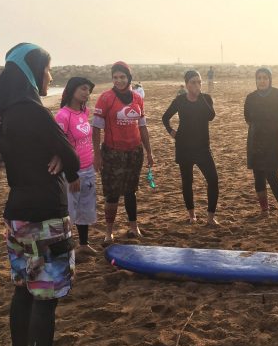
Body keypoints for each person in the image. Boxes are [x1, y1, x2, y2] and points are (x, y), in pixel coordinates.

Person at [0, 43, 79, 346]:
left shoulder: (3, 114)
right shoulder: (32, 110)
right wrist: (61, 157)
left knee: (24, 291)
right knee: (45, 301)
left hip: (17, 216)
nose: (51, 76)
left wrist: (58, 153)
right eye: (47, 68)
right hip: (45, 216)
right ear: (31, 70)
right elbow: (72, 157)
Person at [92, 62, 154, 243]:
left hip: (134, 152)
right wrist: (97, 154)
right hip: (112, 153)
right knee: (111, 194)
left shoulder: (137, 98)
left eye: (122, 77)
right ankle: (108, 232)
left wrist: (149, 152)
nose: (119, 81)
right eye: (115, 77)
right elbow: (96, 128)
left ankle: (133, 226)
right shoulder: (105, 98)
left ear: (129, 78)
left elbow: (142, 127)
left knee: (130, 191)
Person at [162, 70, 219, 225]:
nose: (197, 85)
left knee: (213, 180)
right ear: (187, 84)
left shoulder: (206, 98)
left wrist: (200, 97)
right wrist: (171, 131)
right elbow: (165, 117)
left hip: (202, 148)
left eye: (199, 82)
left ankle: (210, 217)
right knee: (187, 182)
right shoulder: (180, 100)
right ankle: (192, 215)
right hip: (184, 147)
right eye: (193, 82)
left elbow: (211, 116)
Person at [244, 67, 278, 222]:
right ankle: (264, 210)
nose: (262, 81)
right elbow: (248, 119)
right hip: (255, 141)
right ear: (256, 80)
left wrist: (277, 129)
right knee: (258, 176)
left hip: (275, 142)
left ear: (270, 79)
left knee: (272, 176)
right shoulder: (251, 98)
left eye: (265, 77)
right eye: (259, 78)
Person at [56, 77, 97, 254]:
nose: (87, 93)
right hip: (73, 172)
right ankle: (67, 247)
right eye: (83, 89)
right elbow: (59, 145)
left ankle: (83, 244)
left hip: (89, 168)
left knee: (85, 208)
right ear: (72, 90)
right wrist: (71, 172)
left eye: (88, 90)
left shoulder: (84, 112)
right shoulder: (63, 115)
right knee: (70, 211)